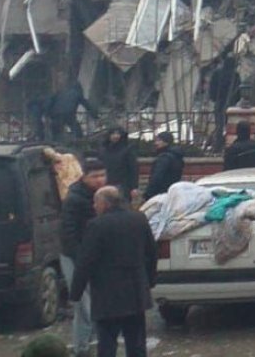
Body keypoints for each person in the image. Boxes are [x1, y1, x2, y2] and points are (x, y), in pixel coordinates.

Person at [70, 187, 157, 357]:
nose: (94, 207)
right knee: (137, 342)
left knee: (107, 343)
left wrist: (75, 292)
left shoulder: (96, 225)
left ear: (104, 203)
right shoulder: (138, 219)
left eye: (95, 202)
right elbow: (151, 253)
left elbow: (85, 261)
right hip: (135, 293)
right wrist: (149, 280)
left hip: (107, 295)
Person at [61, 158, 106, 357]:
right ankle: (82, 347)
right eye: (94, 176)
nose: (99, 180)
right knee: (83, 305)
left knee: (98, 302)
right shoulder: (74, 199)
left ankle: (96, 342)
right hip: (76, 258)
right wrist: (82, 261)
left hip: (97, 257)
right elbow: (69, 234)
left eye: (102, 175)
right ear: (84, 177)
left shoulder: (106, 195)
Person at [98, 127, 138, 202]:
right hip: (106, 183)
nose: (115, 136)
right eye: (113, 133)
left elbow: (133, 169)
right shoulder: (103, 150)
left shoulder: (127, 150)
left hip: (123, 185)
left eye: (118, 133)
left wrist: (134, 187)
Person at [143, 132, 184, 201]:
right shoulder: (177, 156)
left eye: (159, 140)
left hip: (159, 194)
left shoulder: (164, 158)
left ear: (166, 142)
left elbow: (157, 177)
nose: (156, 143)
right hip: (172, 193)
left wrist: (148, 194)